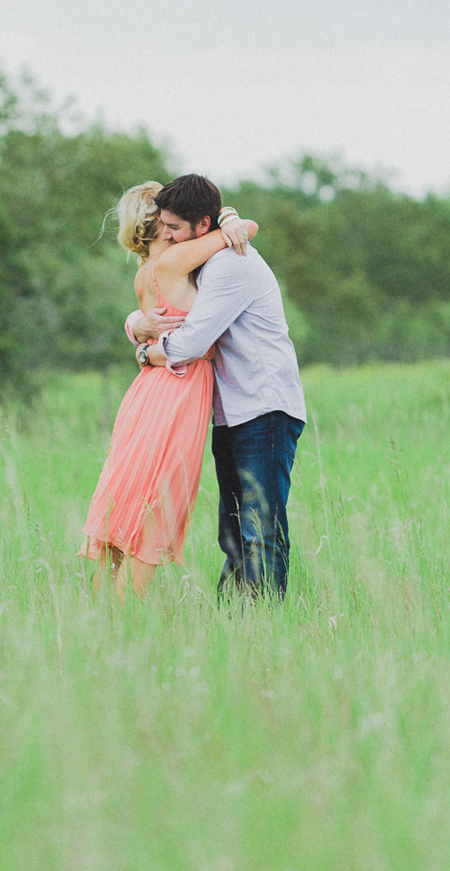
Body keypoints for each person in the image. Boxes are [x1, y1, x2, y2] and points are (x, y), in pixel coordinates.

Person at [127, 174, 306, 600]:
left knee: (259, 527)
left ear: (202, 226)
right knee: (234, 529)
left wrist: (146, 352)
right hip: (233, 412)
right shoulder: (207, 258)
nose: (164, 234)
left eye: (172, 227)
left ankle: (262, 625)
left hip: (264, 408)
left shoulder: (231, 264)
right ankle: (234, 624)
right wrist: (135, 324)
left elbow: (190, 342)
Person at [79, 181, 257, 600]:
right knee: (155, 504)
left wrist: (139, 341)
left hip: (147, 391)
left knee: (124, 502)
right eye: (169, 218)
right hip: (179, 391)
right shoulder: (176, 261)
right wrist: (229, 216)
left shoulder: (144, 276)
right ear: (160, 223)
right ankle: (125, 618)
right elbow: (246, 227)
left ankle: (101, 615)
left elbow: (147, 329)